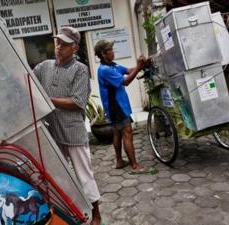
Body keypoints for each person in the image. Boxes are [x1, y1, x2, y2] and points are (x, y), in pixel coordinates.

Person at [33, 27, 102, 225]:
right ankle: (64, 212)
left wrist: (47, 100)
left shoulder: (80, 69)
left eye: (64, 44)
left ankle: (96, 213)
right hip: (51, 130)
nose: (59, 47)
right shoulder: (44, 67)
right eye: (58, 43)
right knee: (57, 174)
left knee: (84, 174)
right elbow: (27, 77)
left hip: (73, 131)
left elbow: (78, 102)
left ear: (75, 48)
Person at [94, 39, 147, 173]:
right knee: (127, 133)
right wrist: (139, 67)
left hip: (117, 106)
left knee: (117, 132)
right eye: (110, 50)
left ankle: (119, 161)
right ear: (103, 54)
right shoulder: (105, 70)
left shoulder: (113, 66)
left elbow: (128, 71)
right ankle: (134, 165)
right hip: (116, 107)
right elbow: (127, 81)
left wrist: (140, 65)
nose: (113, 51)